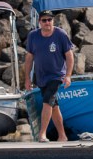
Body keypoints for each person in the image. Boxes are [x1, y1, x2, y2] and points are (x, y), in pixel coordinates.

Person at [24, 10, 74, 142]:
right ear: (39, 22)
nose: (47, 22)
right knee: (53, 105)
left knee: (47, 101)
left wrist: (68, 75)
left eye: (50, 20)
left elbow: (69, 56)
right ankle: (62, 135)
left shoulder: (60, 34)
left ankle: (42, 134)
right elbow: (29, 58)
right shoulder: (33, 36)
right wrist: (27, 78)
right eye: (44, 20)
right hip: (41, 77)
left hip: (57, 75)